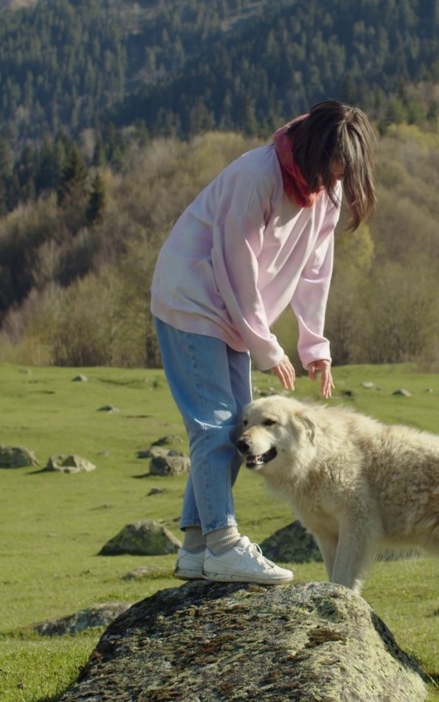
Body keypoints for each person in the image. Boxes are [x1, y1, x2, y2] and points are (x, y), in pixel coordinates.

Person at [150, 100, 377, 584]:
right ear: (316, 148)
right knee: (217, 426)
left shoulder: (326, 191)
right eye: (334, 167)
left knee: (236, 425)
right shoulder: (257, 176)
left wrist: (315, 345)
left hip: (236, 313)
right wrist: (266, 344)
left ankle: (195, 548)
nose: (336, 179)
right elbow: (236, 267)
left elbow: (316, 271)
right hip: (193, 299)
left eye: (345, 172)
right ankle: (224, 543)